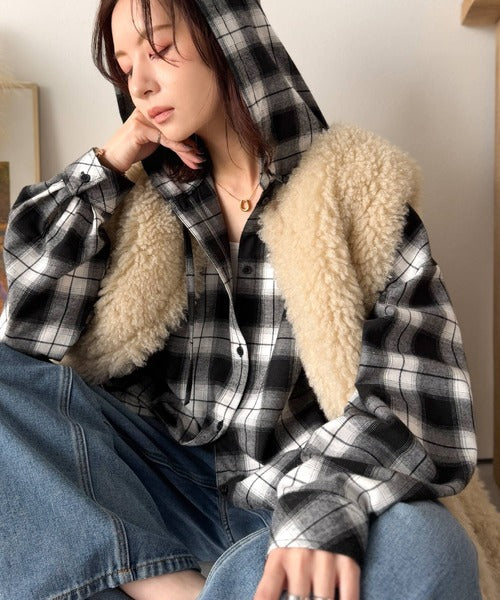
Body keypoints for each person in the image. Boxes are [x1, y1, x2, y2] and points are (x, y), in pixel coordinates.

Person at [0, 0, 483, 599]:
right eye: (125, 67)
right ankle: (163, 583)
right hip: (155, 492)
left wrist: (324, 504)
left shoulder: (359, 191)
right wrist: (111, 161)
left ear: (228, 38)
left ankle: (174, 581)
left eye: (159, 48)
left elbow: (420, 400)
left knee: (429, 547)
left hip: (293, 494)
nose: (140, 83)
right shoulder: (137, 200)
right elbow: (29, 329)